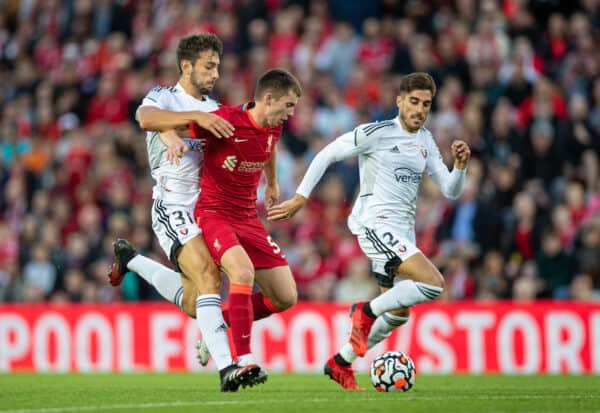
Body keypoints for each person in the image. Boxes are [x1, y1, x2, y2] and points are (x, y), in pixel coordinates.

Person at [268, 72, 471, 390]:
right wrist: (301, 197)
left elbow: (451, 190)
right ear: (400, 101)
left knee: (399, 313)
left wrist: (459, 167)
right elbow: (327, 154)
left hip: (402, 233)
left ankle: (341, 362)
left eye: (426, 104)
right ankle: (364, 311)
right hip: (375, 225)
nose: (419, 109)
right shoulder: (377, 133)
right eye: (414, 102)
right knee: (433, 284)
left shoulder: (426, 141)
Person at [107, 33, 261, 392]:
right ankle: (228, 368)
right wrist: (176, 126)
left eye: (218, 66)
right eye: (209, 66)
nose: (215, 73)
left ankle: (130, 259)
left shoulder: (216, 110)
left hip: (209, 210)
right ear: (186, 66)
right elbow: (145, 118)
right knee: (209, 276)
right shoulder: (164, 97)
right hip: (172, 205)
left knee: (196, 302)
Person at [188, 68, 302, 369]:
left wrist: (273, 182)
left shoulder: (273, 126)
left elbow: (269, 146)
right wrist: (170, 139)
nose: (291, 114)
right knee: (242, 272)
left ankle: (218, 325)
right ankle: (244, 359)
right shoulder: (225, 121)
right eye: (288, 105)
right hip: (214, 214)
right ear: (268, 98)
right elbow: (179, 126)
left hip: (248, 217)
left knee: (285, 296)